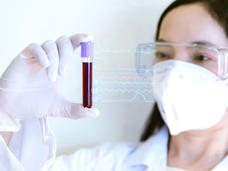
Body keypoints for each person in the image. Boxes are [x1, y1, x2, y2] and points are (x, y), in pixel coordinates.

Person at [1, 0, 228, 170]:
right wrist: (7, 116)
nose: (173, 74)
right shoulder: (98, 164)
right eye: (163, 54)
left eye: (201, 57)